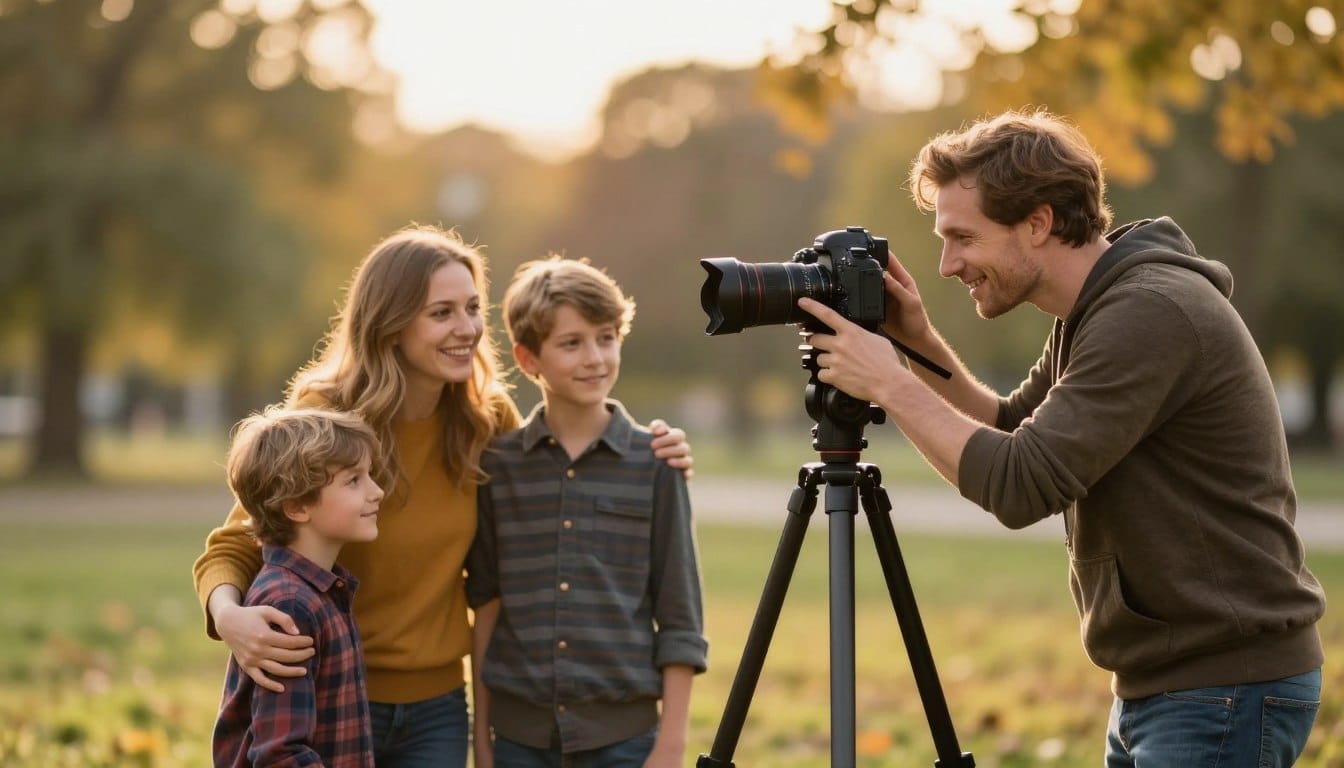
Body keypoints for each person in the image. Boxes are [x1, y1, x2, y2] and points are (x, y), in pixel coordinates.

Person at [797, 109, 1325, 766]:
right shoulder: (1098, 309)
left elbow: (1019, 485)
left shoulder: (1148, 311)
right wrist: (915, 344)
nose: (946, 264)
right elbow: (1009, 432)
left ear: (1038, 223)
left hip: (1222, 687)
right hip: (1171, 685)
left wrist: (886, 384)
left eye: (964, 237)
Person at [193, 225, 695, 768]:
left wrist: (652, 447)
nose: (469, 329)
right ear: (391, 324)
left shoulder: (484, 420)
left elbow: (561, 458)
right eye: (442, 313)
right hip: (334, 689)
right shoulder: (328, 416)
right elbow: (243, 539)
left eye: (473, 308)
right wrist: (229, 617)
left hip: (437, 707)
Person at [466, 255, 708, 768]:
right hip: (517, 742)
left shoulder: (655, 464)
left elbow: (680, 613)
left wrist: (671, 744)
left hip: (627, 742)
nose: (595, 357)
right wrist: (482, 741)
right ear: (529, 359)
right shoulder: (498, 467)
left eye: (606, 337)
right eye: (571, 343)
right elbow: (485, 605)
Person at [213, 406, 383, 767]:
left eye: (370, 475)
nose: (378, 491)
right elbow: (280, 754)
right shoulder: (291, 606)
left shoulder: (323, 592)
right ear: (296, 506)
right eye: (354, 480)